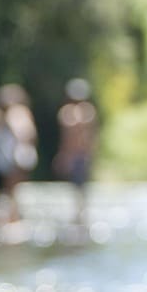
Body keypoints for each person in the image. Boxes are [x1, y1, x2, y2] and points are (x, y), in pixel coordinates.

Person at [0, 83, 38, 224]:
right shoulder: (21, 111)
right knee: (14, 190)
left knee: (11, 189)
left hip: (15, 155)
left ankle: (11, 219)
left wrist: (20, 143)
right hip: (19, 154)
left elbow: (24, 131)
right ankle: (12, 218)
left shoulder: (15, 112)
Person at [53, 77, 98, 223]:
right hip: (82, 154)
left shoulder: (67, 113)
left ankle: (79, 214)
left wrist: (64, 155)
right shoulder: (88, 112)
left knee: (77, 185)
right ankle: (80, 213)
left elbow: (67, 138)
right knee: (80, 186)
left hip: (76, 155)